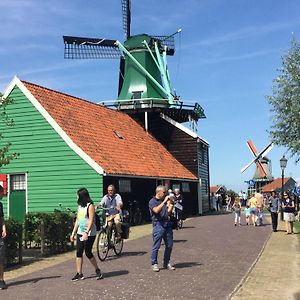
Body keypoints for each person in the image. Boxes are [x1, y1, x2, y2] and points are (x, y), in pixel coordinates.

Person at [70, 187, 102, 281]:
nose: (76, 197)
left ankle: (97, 270)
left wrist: (86, 233)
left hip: (89, 233)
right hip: (80, 232)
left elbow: (91, 220)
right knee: (79, 252)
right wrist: (73, 233)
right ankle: (79, 273)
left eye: (78, 195)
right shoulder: (80, 206)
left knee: (88, 252)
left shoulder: (90, 206)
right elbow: (78, 220)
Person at [149, 185, 175, 272]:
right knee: (156, 245)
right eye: (164, 192)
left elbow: (167, 213)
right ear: (158, 192)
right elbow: (156, 210)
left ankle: (166, 262)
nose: (165, 194)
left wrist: (171, 206)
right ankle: (154, 263)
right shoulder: (152, 201)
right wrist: (164, 202)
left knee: (169, 245)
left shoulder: (164, 201)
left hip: (167, 224)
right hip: (158, 225)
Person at [0, 185, 7, 290]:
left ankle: (1, 280)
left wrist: (4, 229)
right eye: (2, 192)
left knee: (0, 259)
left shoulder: (0, 205)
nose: (3, 195)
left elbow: (1, 218)